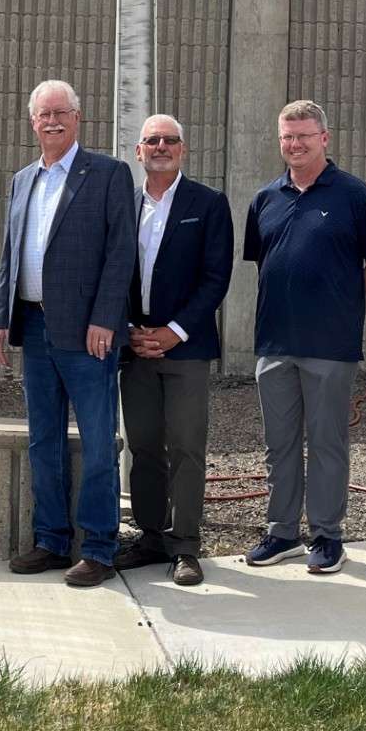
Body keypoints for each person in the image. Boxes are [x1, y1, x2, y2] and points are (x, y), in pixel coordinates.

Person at [0, 80, 136, 588]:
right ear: (33, 122)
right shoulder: (22, 180)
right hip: (33, 326)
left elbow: (121, 253)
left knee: (97, 442)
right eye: (43, 114)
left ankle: (98, 548)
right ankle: (51, 539)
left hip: (88, 332)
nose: (52, 121)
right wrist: (0, 318)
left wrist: (106, 318)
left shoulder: (109, 174)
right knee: (43, 440)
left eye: (61, 112)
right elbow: (10, 254)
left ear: (78, 117)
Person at [242, 100, 366, 576]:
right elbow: (264, 262)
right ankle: (282, 532)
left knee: (327, 443)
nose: (296, 144)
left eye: (304, 136)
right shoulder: (266, 198)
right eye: (288, 137)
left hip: (330, 343)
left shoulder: (354, 195)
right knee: (279, 444)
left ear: (324, 138)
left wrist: (343, 298)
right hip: (274, 342)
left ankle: (327, 536)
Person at [116, 114, 232, 587]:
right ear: (139, 151)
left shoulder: (208, 203)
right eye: (152, 140)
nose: (161, 147)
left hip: (186, 348)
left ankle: (185, 545)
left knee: (186, 446)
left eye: (170, 140)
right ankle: (150, 537)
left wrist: (174, 332)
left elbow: (215, 278)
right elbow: (112, 272)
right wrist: (128, 330)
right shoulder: (124, 204)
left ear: (182, 149)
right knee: (143, 446)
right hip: (135, 347)